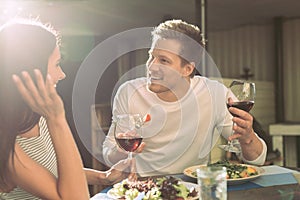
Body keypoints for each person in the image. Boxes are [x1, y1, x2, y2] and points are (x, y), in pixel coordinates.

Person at [103, 19, 267, 176]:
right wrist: (120, 150)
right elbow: (108, 153)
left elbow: (257, 160)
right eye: (151, 56)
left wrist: (248, 136)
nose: (152, 66)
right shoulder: (128, 92)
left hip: (192, 187)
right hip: (142, 187)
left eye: (164, 61)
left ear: (187, 69)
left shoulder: (215, 94)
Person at [0, 18, 135, 199]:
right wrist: (57, 119)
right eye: (56, 64)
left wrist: (104, 177)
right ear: (33, 71)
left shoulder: (39, 116)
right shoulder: (6, 141)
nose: (62, 74)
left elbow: (56, 173)